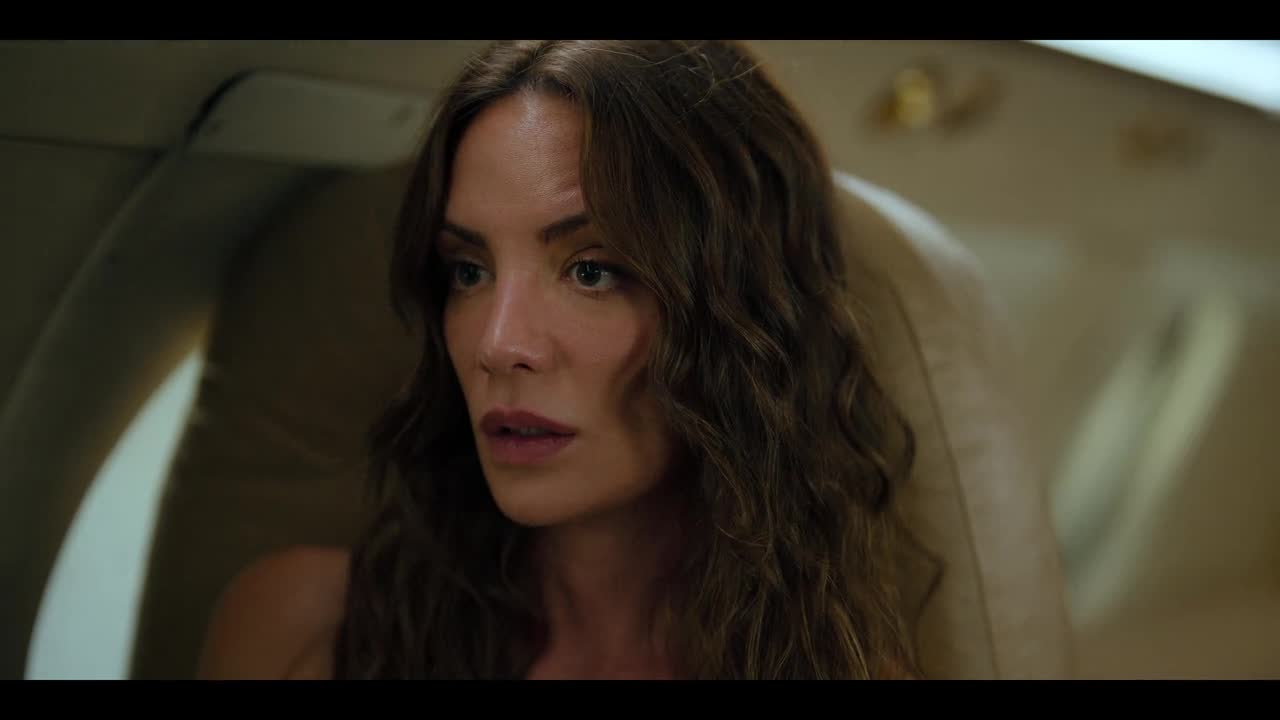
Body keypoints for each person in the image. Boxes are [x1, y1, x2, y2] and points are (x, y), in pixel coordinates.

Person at [197, 39, 921, 680]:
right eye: (469, 272)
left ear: (742, 316)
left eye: (592, 271)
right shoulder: (305, 630)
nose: (498, 344)